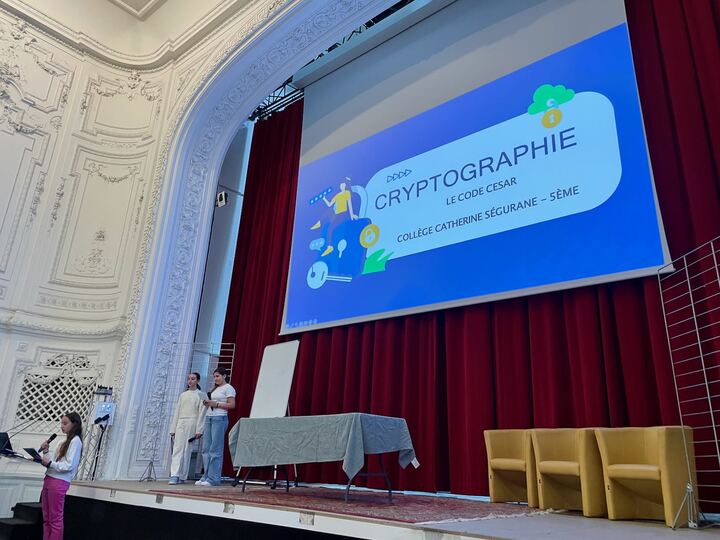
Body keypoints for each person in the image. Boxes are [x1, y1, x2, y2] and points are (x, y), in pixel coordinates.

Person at [40, 412, 83, 540]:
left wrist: (50, 463)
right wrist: (45, 452)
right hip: (49, 479)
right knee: (47, 518)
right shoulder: (62, 442)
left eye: (65, 423)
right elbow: (53, 463)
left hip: (59, 482)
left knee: (55, 519)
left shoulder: (76, 441)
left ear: (74, 424)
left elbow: (69, 465)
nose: (62, 426)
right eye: (61, 423)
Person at [196, 368, 236, 486]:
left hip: (219, 418)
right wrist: (207, 402)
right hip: (209, 417)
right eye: (214, 376)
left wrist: (216, 404)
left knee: (215, 449)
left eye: (217, 376)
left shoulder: (228, 388)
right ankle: (206, 476)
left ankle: (213, 478)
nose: (215, 378)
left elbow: (232, 405)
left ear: (224, 376)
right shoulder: (214, 389)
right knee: (206, 449)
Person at [168, 372, 206, 485]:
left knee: (187, 450)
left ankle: (182, 476)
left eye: (193, 379)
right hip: (181, 422)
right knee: (177, 449)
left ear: (197, 380)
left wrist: (199, 430)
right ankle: (174, 475)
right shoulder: (183, 395)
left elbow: (202, 413)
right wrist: (173, 428)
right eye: (189, 378)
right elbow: (177, 411)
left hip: (192, 422)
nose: (190, 381)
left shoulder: (201, 395)